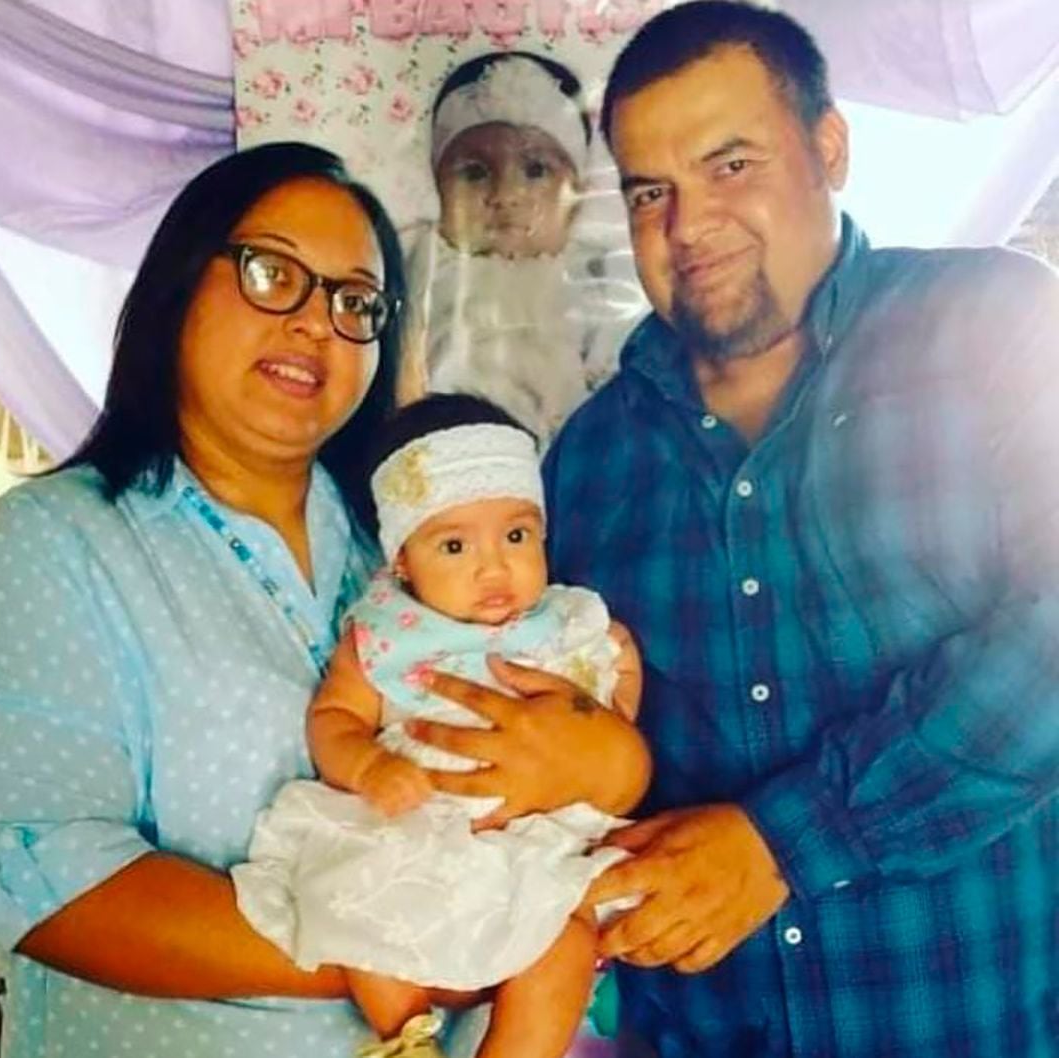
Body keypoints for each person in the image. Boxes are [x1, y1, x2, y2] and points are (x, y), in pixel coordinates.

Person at [0, 143, 648, 1058]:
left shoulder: (414, 550)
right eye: (272, 273)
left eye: (355, 302)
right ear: (180, 285)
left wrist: (606, 761)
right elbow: (35, 873)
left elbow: (589, 756)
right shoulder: (56, 541)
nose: (314, 324)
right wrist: (419, 944)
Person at [540, 3, 1059, 1056]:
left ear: (830, 149)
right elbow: (589, 741)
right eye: (650, 191)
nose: (688, 227)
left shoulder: (996, 325)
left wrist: (781, 843)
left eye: (731, 165)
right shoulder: (588, 459)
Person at [232, 393, 646, 1058]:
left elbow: (614, 699)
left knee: (564, 945)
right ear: (402, 560)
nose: (494, 567)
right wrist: (369, 766)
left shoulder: (568, 621)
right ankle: (408, 1040)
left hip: (532, 846)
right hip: (416, 830)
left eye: (517, 536)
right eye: (454, 545)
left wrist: (616, 697)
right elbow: (335, 717)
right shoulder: (386, 636)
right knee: (348, 908)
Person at [403, 51, 645, 443]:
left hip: (566, 462)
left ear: (577, 193)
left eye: (536, 170)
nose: (507, 195)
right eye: (474, 172)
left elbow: (624, 389)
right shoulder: (420, 263)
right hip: (442, 456)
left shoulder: (599, 275)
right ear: (437, 185)